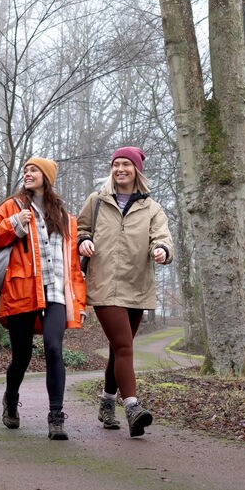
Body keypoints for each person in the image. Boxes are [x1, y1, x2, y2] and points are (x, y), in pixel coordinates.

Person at [0, 157, 88, 440]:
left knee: (54, 349)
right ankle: (11, 398)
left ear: (47, 176)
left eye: (34, 170)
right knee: (22, 356)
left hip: (56, 293)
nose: (28, 173)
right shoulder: (12, 207)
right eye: (26, 170)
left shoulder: (66, 218)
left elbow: (73, 266)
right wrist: (14, 224)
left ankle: (56, 417)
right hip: (22, 291)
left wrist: (79, 301)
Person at [76, 146, 173, 438]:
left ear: (136, 170)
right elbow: (81, 228)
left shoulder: (152, 207)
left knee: (119, 348)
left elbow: (163, 237)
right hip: (104, 284)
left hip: (137, 284)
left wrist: (161, 250)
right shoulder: (96, 201)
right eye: (116, 164)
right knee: (124, 346)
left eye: (126, 165)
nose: (120, 169)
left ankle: (106, 402)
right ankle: (132, 406)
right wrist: (83, 241)